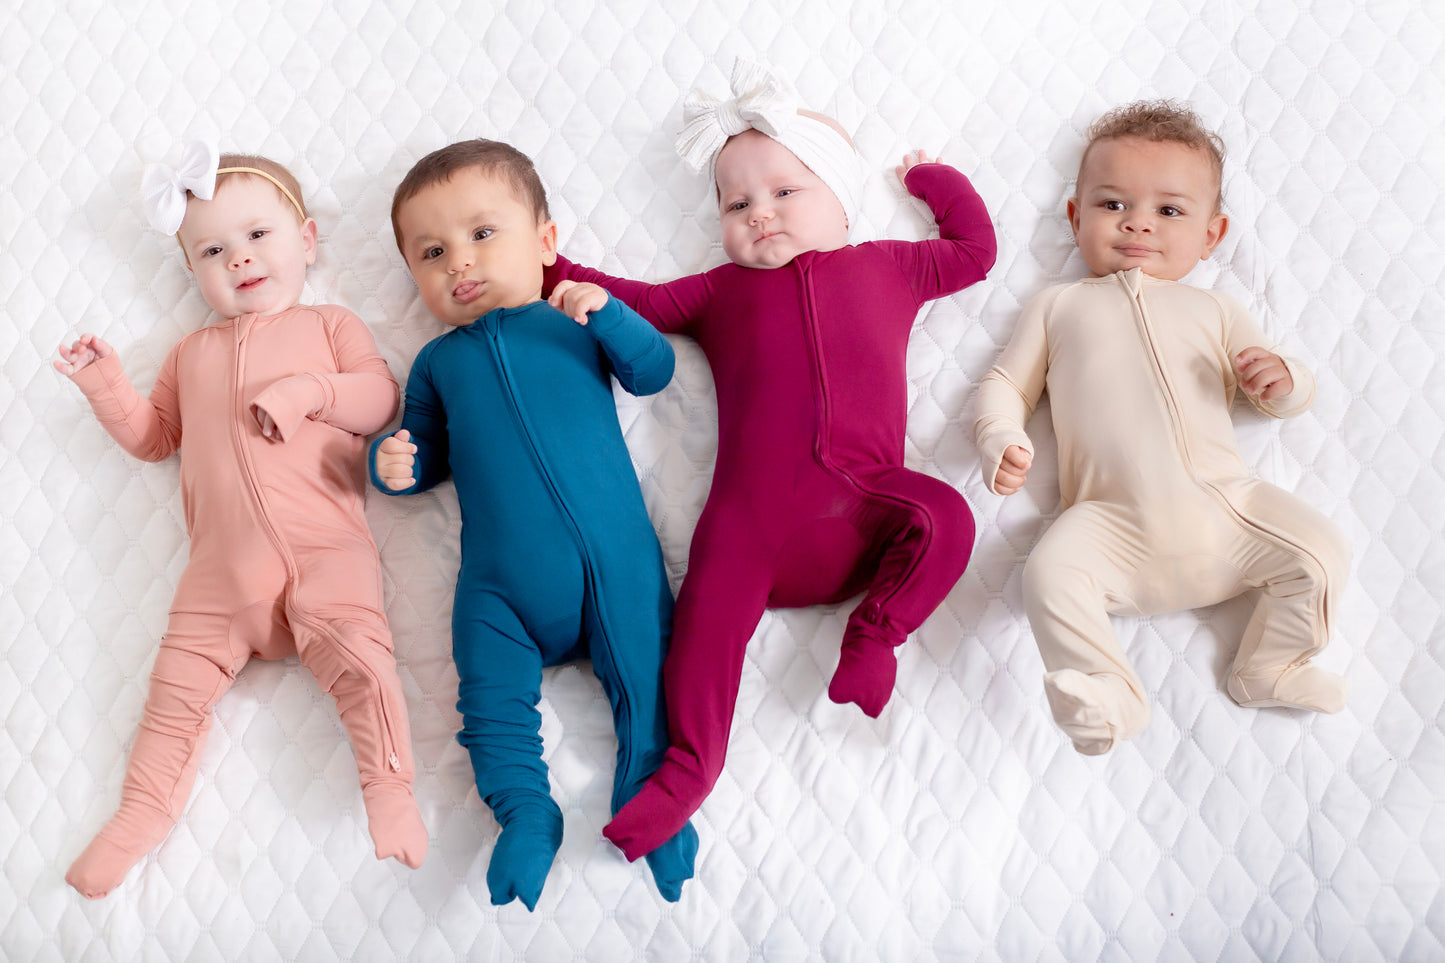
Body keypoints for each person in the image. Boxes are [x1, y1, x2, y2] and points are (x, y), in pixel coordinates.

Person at [545, 59, 997, 861]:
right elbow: (629, 300)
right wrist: (540, 265)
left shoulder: (890, 265)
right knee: (701, 636)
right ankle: (689, 770)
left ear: (839, 197)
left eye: (785, 190)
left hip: (867, 507)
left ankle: (874, 635)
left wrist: (931, 179)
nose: (759, 212)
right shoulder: (717, 292)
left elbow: (973, 250)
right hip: (747, 531)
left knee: (948, 516)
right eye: (735, 203)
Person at [57, 142, 426, 899]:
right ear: (194, 272)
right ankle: (140, 814)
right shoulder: (188, 354)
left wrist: (310, 392)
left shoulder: (330, 324)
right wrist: (105, 385)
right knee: (173, 697)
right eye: (212, 251)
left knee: (364, 666)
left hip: (327, 551)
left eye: (258, 235)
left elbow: (379, 400)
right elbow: (153, 438)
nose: (240, 258)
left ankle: (389, 788)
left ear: (307, 240)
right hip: (220, 574)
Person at [372, 138, 697, 910]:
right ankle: (523, 809)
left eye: (483, 233)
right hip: (502, 588)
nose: (459, 261)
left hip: (616, 562)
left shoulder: (573, 321)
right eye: (432, 252)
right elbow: (425, 455)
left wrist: (610, 315)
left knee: (650, 680)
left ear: (546, 242)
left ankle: (650, 796)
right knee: (486, 696)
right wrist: (395, 463)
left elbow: (653, 370)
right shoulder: (436, 365)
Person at [974, 100, 1350, 755]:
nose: (1138, 222)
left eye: (1170, 211)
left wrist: (1283, 381)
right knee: (1048, 575)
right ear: (1076, 218)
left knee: (1321, 552)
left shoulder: (1216, 309)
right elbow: (1007, 383)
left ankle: (1269, 664)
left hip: (1229, 511)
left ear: (1211, 235)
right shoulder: (1058, 306)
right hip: (1110, 522)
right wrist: (999, 436)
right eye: (1112, 204)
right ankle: (1109, 691)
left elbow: (1278, 394)